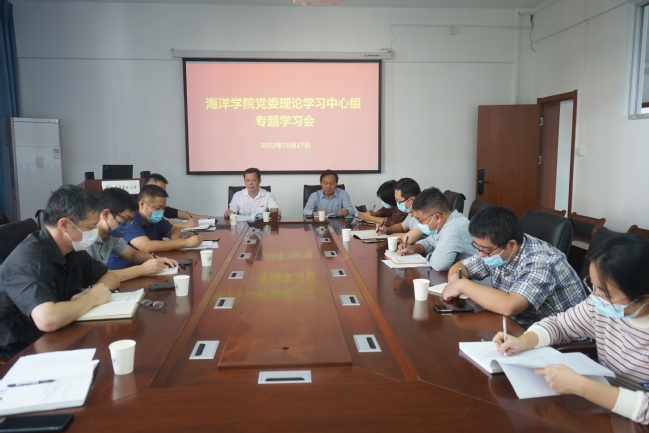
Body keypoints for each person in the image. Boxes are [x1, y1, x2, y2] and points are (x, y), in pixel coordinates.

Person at [494, 234, 649, 424]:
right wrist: (523, 341)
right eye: (593, 285)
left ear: (644, 298)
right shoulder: (598, 306)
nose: (595, 297)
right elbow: (559, 325)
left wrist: (581, 386)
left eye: (604, 292)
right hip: (605, 408)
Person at [0, 185, 119, 357]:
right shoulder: (29, 260)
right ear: (64, 224)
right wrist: (92, 297)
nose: (94, 233)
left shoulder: (71, 248)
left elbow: (110, 277)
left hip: (61, 330)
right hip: (22, 350)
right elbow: (48, 319)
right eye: (90, 228)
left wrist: (90, 293)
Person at [443, 205, 585, 327]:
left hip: (560, 340)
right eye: (478, 247)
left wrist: (461, 285)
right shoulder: (497, 249)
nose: (481, 254)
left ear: (511, 245)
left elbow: (510, 305)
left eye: (486, 249)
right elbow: (461, 266)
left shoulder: (542, 261)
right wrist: (455, 278)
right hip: (518, 326)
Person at [88, 188, 178, 281]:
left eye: (130, 220)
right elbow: (101, 276)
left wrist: (156, 259)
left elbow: (132, 254)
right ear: (106, 214)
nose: (128, 224)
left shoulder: (112, 235)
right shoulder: (85, 240)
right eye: (126, 219)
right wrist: (142, 269)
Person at [107, 185, 203, 270]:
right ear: (141, 204)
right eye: (157, 208)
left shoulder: (155, 218)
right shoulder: (130, 219)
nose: (160, 212)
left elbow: (173, 230)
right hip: (124, 269)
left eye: (163, 208)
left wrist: (175, 239)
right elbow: (146, 247)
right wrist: (185, 243)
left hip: (149, 266)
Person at [397, 187, 474, 271]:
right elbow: (430, 242)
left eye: (421, 220)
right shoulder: (445, 221)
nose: (419, 224)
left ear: (437, 217)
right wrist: (413, 248)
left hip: (470, 277)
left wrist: (431, 255)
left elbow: (439, 265)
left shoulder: (453, 229)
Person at [144, 173, 212, 229]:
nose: (162, 195)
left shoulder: (159, 207)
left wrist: (199, 217)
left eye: (163, 192)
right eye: (159, 191)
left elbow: (171, 212)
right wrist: (185, 225)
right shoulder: (142, 210)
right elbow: (160, 224)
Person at [376, 178, 426, 243]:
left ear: (412, 200)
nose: (397, 204)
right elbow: (402, 226)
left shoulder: (424, 213)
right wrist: (387, 229)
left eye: (399, 201)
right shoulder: (411, 211)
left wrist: (395, 236)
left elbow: (409, 239)